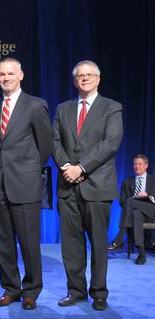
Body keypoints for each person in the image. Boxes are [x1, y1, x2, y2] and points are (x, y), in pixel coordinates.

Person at [53, 60, 123, 311]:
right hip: (67, 186)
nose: (84, 79)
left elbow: (110, 143)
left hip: (97, 186)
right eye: (80, 76)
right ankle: (76, 291)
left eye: (89, 75)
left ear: (98, 79)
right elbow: (55, 140)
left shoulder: (112, 108)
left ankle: (99, 293)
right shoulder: (63, 108)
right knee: (71, 245)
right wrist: (66, 167)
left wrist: (80, 168)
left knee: (98, 243)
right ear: (75, 81)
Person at [0, 58, 52, 310]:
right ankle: (11, 288)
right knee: (3, 244)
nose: (6, 78)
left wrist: (28, 170)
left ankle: (31, 291)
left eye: (10, 74)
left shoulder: (36, 105)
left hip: (25, 185)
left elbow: (45, 145)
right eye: (2, 74)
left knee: (28, 243)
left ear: (21, 75)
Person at [108, 154, 155, 264]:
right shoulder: (127, 182)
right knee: (135, 213)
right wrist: (135, 200)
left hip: (151, 211)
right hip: (134, 213)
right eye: (135, 164)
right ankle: (142, 254)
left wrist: (148, 196)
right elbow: (121, 202)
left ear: (146, 166)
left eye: (140, 164)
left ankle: (119, 238)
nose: (137, 166)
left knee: (130, 201)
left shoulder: (153, 180)